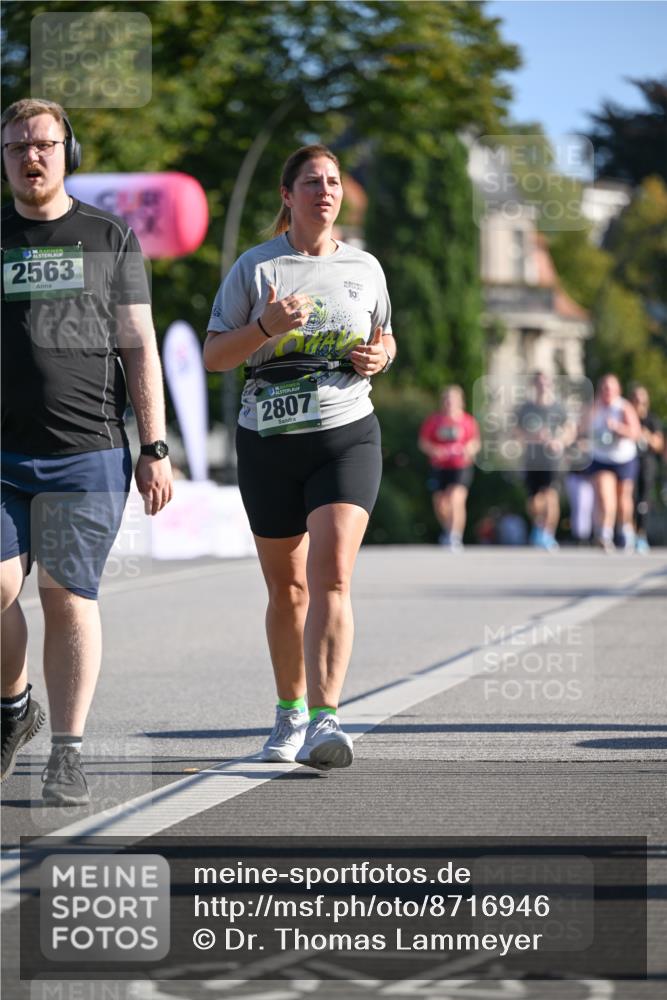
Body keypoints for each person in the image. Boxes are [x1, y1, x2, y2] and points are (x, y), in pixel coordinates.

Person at [1, 99, 173, 804]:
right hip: (2, 453)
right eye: (15, 147)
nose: (29, 157)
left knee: (67, 597)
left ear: (69, 152)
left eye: (43, 144)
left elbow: (138, 344)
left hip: (87, 449)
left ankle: (67, 752)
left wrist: (154, 446)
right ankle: (14, 707)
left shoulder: (109, 235)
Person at [204, 144, 395, 770]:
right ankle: (289, 714)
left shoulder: (365, 268)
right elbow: (214, 357)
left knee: (332, 576)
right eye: (311, 182)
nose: (325, 191)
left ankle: (325, 720)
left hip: (346, 433)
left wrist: (381, 356)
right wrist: (264, 328)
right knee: (286, 591)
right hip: (268, 442)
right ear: (287, 197)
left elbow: (384, 333)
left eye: (333, 182)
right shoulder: (257, 269)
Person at [515, 371, 575, 551]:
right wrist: (532, 436)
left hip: (552, 459)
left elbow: (570, 430)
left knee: (551, 494)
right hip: (532, 458)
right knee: (534, 500)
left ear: (550, 384)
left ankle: (548, 534)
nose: (543, 386)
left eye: (545, 382)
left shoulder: (559, 407)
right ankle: (539, 526)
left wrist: (559, 442)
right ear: (534, 385)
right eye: (539, 383)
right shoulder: (526, 408)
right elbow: (516, 432)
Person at [418, 386, 480, 551]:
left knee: (456, 498)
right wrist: (435, 450)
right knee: (440, 504)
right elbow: (423, 442)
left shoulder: (468, 421)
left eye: (452, 399)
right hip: (439, 467)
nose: (449, 403)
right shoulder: (434, 421)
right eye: (446, 399)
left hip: (461, 466)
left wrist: (468, 449)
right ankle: (448, 529)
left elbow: (475, 443)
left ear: (460, 401)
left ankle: (455, 536)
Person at [585, 374, 640, 552]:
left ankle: (626, 530)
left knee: (623, 498)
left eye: (610, 388)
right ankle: (605, 533)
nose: (606, 392)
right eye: (603, 388)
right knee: (604, 495)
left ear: (617, 390)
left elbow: (635, 433)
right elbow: (581, 428)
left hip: (623, 458)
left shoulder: (623, 407)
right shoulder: (594, 408)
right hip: (601, 458)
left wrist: (618, 428)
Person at [629, 384, 664, 552]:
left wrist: (646, 435)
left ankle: (640, 535)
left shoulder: (652, 419)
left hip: (646, 464)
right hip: (627, 462)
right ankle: (626, 533)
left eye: (642, 399)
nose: (639, 403)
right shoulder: (625, 417)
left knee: (642, 501)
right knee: (628, 499)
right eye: (635, 399)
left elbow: (659, 444)